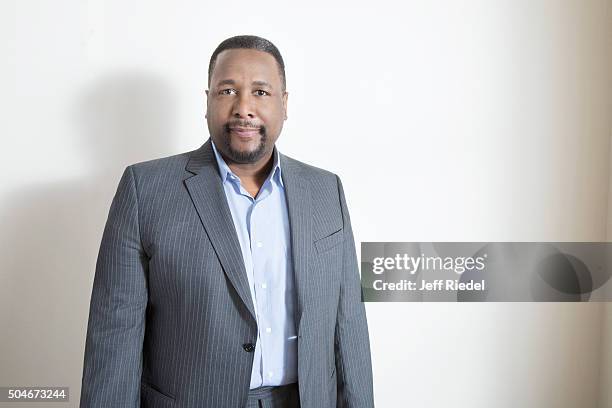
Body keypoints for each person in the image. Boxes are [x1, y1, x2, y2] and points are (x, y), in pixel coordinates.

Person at [79, 35, 374, 408]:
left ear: (284, 104)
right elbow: (114, 337)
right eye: (228, 90)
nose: (244, 108)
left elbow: (349, 327)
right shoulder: (145, 190)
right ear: (207, 102)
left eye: (261, 92)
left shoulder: (325, 190)